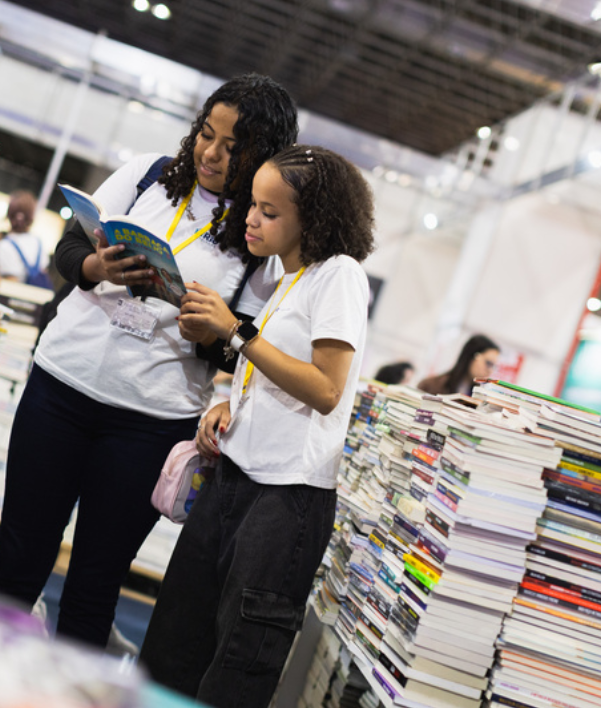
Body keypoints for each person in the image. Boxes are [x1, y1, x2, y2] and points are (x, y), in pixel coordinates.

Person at [0, 74, 300, 650]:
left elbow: (242, 347)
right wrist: (98, 267)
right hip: (60, 388)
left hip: (150, 423)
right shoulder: (147, 176)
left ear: (263, 156)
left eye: (233, 147)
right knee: (16, 563)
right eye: (206, 134)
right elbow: (68, 249)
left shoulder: (258, 238)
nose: (211, 153)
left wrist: (208, 331)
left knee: (93, 590)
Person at [139, 145, 376, 707]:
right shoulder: (288, 279)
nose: (251, 219)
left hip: (285, 498)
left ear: (312, 219)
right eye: (253, 206)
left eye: (270, 212)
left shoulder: (339, 275)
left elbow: (326, 389)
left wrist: (236, 332)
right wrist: (231, 403)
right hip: (235, 479)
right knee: (175, 642)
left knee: (237, 665)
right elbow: (278, 372)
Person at [0, 190, 51, 287]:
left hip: (5, 296)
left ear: (9, 214)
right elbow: (43, 271)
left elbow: (10, 285)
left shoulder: (6, 244)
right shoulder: (38, 242)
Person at [417, 333, 499, 396]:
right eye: (488, 363)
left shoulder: (479, 397)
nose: (490, 371)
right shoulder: (430, 386)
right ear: (472, 356)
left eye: (493, 366)